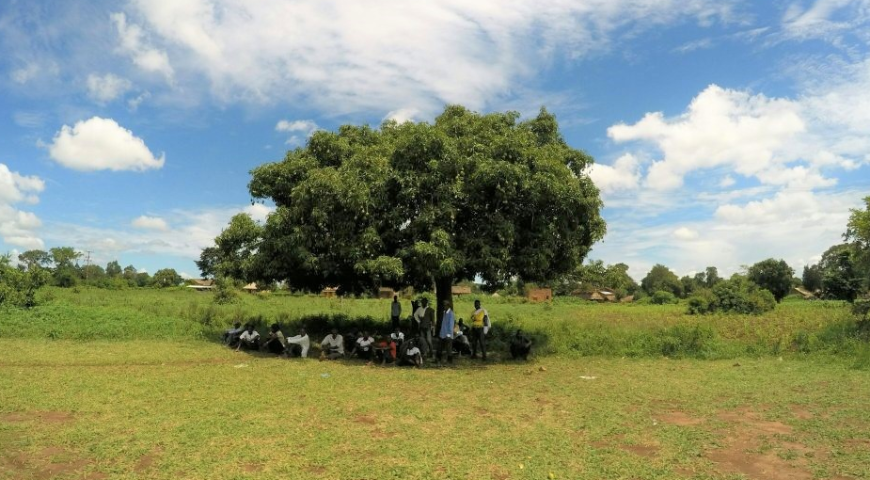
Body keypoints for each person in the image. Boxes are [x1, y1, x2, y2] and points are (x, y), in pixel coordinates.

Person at [436, 300, 455, 366]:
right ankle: (438, 359)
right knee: (439, 347)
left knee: (448, 348)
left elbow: (451, 324)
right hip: (442, 333)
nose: (443, 306)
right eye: (443, 305)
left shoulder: (451, 313)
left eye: (444, 305)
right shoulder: (444, 312)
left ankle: (450, 361)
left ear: (447, 305)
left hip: (447, 334)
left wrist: (449, 334)